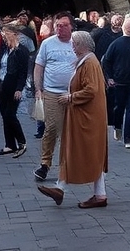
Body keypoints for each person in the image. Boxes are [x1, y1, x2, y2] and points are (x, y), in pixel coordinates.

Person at [37, 31, 109, 209]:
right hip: (87, 115)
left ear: (82, 45)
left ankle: (63, 188)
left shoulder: (89, 63)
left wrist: (70, 98)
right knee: (91, 153)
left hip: (88, 117)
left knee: (83, 151)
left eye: (75, 44)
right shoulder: (87, 61)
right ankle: (97, 194)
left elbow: (91, 90)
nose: (72, 47)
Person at [32, 12, 76, 183]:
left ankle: (69, 164)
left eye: (64, 25)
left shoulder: (77, 43)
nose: (60, 28)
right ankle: (45, 163)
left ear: (72, 26)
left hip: (74, 94)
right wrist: (38, 89)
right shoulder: (47, 44)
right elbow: (38, 66)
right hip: (52, 92)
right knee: (51, 128)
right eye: (58, 25)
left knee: (72, 130)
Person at [101, 16, 130, 149]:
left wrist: (109, 77)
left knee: (119, 108)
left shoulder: (115, 44)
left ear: (123, 28)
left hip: (120, 82)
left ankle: (119, 128)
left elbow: (106, 61)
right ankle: (128, 138)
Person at [0, 25, 31, 157]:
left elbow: (23, 72)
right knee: (5, 115)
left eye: (6, 34)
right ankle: (10, 144)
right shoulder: (4, 49)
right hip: (2, 86)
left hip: (13, 87)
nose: (4, 37)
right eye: (3, 34)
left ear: (14, 34)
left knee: (10, 114)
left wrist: (19, 88)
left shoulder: (21, 51)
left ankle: (22, 141)